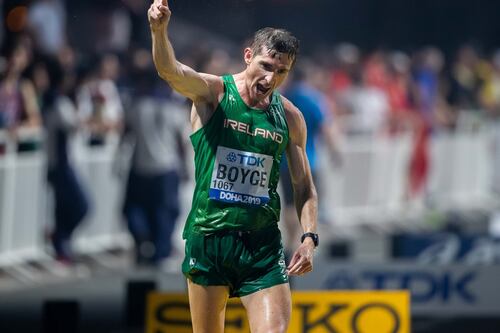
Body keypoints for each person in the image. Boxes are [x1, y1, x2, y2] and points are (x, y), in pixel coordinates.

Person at [148, 1, 319, 332]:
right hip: (211, 240)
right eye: (266, 65)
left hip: (262, 247)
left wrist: (309, 237)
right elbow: (171, 71)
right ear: (247, 56)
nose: (271, 78)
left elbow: (303, 186)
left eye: (281, 72)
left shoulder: (291, 118)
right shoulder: (213, 93)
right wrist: (159, 31)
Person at [120, 49, 187, 268]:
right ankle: (161, 251)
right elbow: (181, 141)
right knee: (165, 211)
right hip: (166, 166)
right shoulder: (173, 107)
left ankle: (141, 237)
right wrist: (185, 167)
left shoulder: (135, 105)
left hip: (140, 165)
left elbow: (126, 134)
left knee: (135, 207)